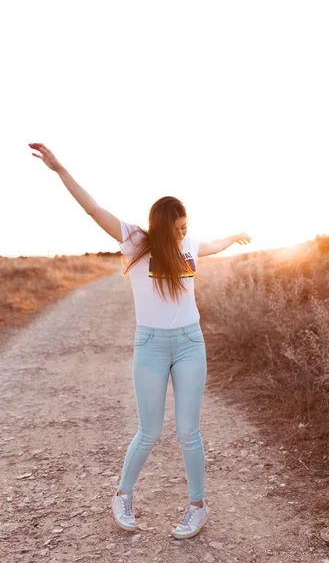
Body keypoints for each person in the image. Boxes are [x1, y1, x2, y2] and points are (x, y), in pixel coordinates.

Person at [28, 142, 251, 539]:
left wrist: (232, 237)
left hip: (189, 344)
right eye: (179, 228)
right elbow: (93, 209)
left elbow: (211, 246)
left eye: (187, 228)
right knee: (149, 431)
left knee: (188, 431)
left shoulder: (190, 246)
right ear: (163, 226)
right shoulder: (135, 241)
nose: (185, 234)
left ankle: (198, 506)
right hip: (149, 345)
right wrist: (60, 169)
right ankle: (122, 495)